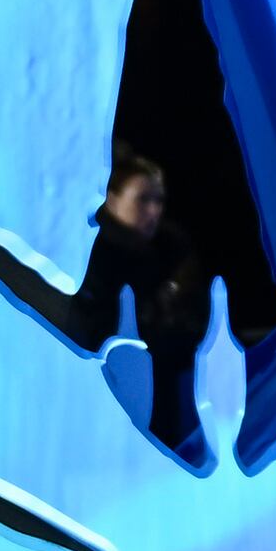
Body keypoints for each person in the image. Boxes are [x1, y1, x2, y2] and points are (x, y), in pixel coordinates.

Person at [86, 150, 201, 450]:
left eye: (159, 200)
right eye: (142, 199)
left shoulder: (171, 252)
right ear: (111, 198)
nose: (154, 210)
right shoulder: (91, 258)